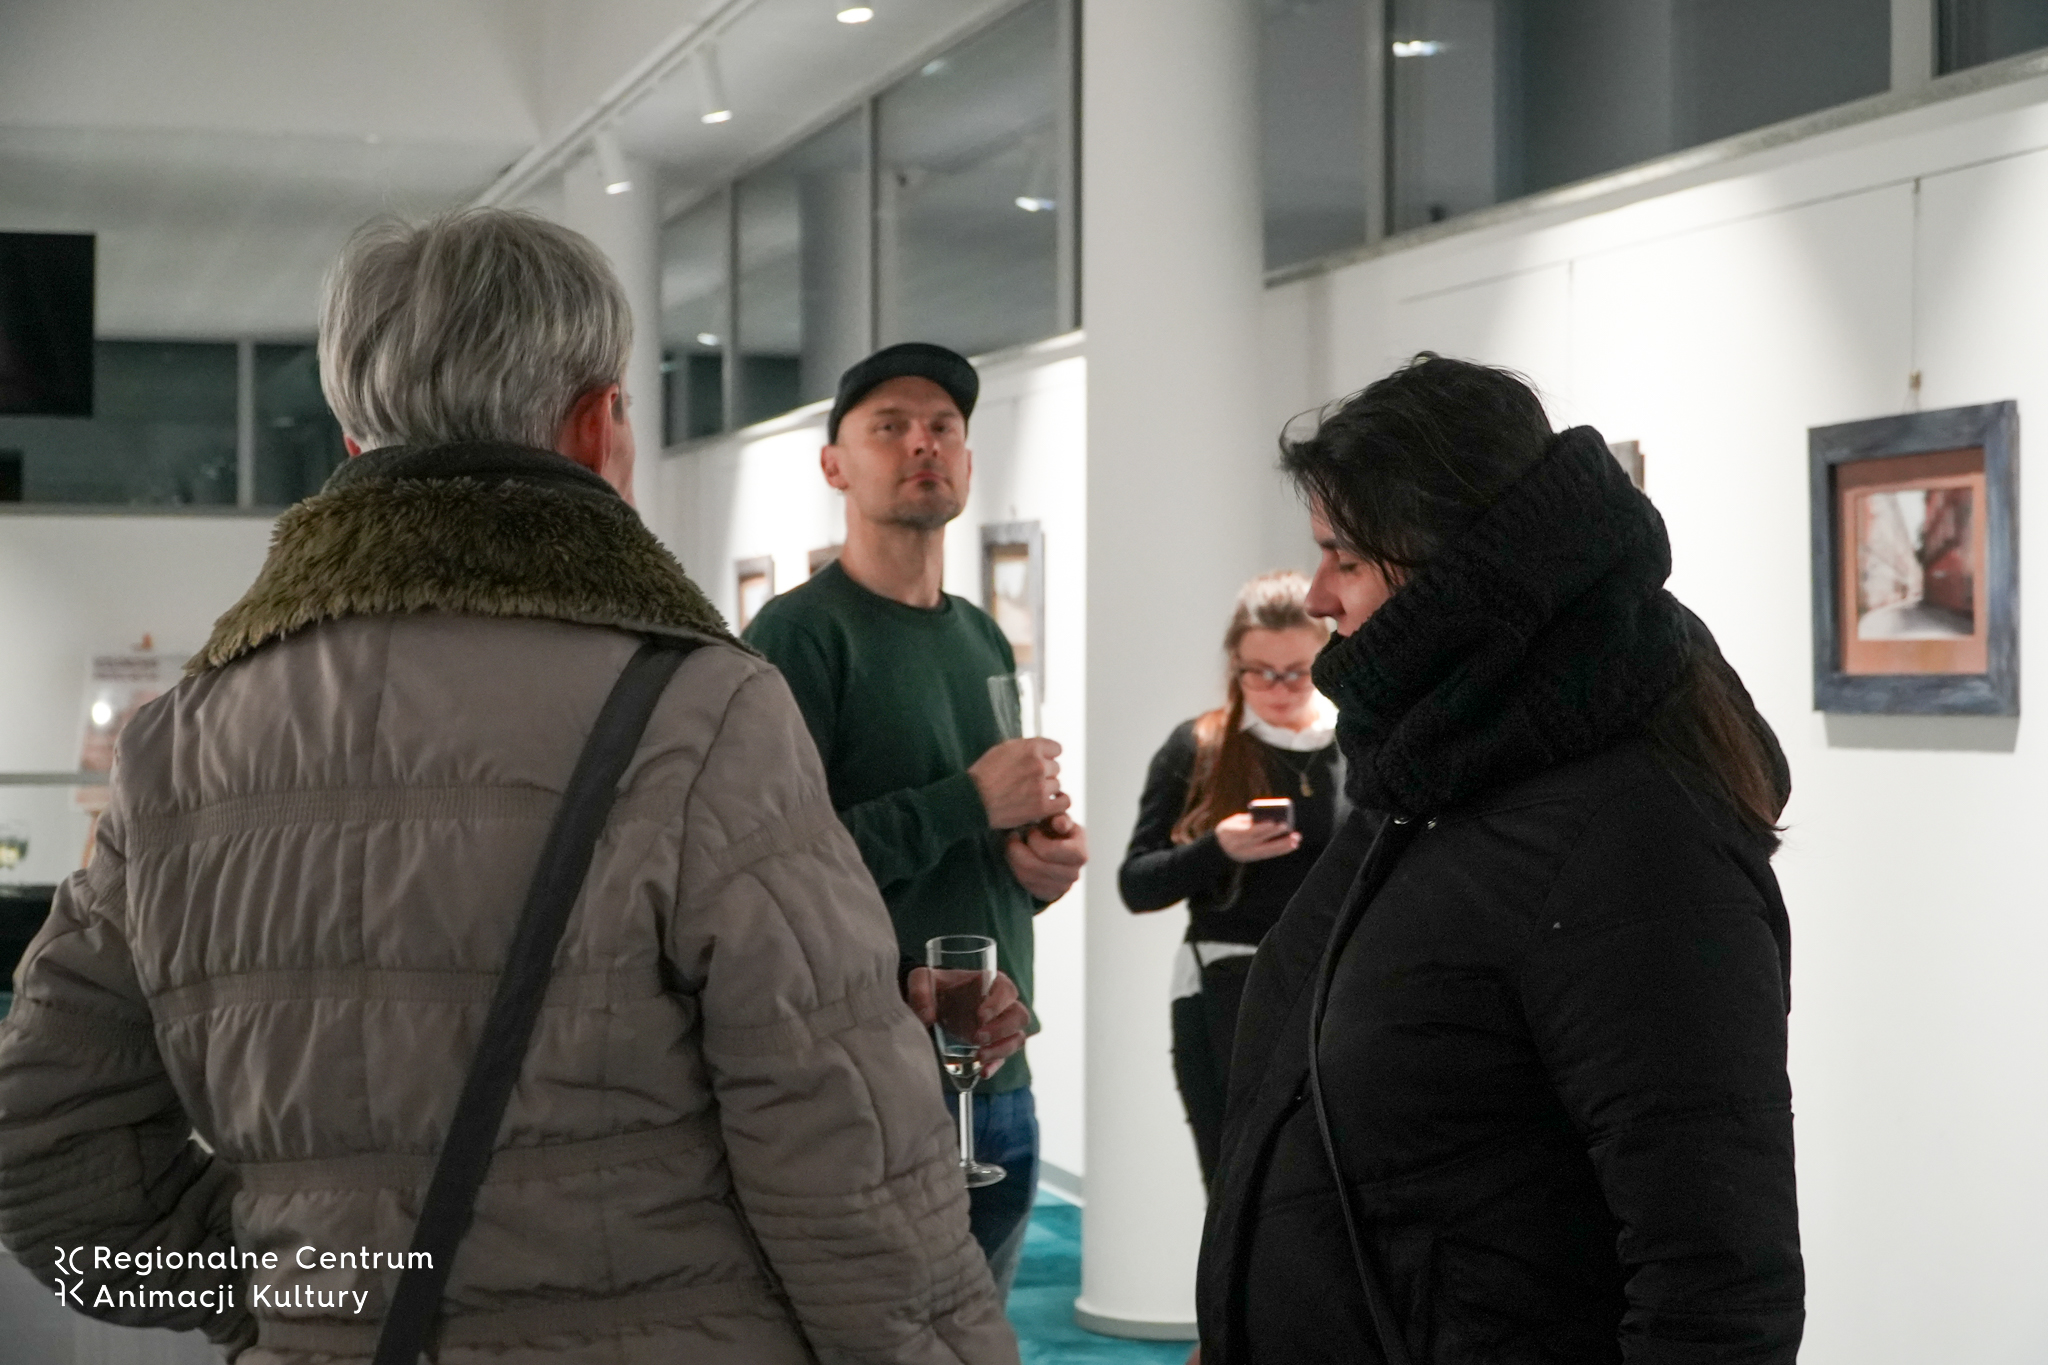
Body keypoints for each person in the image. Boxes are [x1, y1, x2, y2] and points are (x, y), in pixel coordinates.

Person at [0, 210, 1024, 1365]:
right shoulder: (698, 713)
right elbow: (843, 1158)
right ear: (595, 427)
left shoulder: (179, 745)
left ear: (354, 444)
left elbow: (43, 1156)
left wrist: (304, 1291)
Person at [1196, 354, 1803, 1364]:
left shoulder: (1631, 840)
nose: (1319, 596)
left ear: (1456, 574)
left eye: (1345, 557)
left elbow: (1716, 1283)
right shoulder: (1429, 773)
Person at [744, 341, 1088, 1300]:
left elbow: (984, 842)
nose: (922, 443)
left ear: (968, 460)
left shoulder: (981, 633)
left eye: (943, 426)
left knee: (981, 1340)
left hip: (998, 1075)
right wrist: (968, 800)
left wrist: (1038, 865)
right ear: (835, 465)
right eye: (889, 427)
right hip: (873, 1080)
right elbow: (773, 868)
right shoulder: (797, 635)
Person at [1118, 571, 1355, 1185]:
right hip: (1226, 987)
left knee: (1322, 1188)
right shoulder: (1198, 747)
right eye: (1259, 672)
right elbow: (1137, 884)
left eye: (1296, 672)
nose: (1277, 688)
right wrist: (1218, 848)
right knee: (1235, 1185)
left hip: (1333, 990)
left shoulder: (1353, 746)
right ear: (1235, 665)